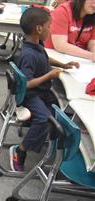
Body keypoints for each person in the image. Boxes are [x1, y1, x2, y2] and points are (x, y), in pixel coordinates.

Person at [11, 7, 80, 172]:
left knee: (61, 111)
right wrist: (49, 76)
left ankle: (54, 147)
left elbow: (45, 58)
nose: (51, 29)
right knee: (44, 119)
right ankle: (20, 151)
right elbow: (26, 84)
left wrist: (63, 65)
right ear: (39, 29)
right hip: (31, 95)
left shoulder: (36, 44)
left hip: (43, 92)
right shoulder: (28, 54)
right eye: (49, 26)